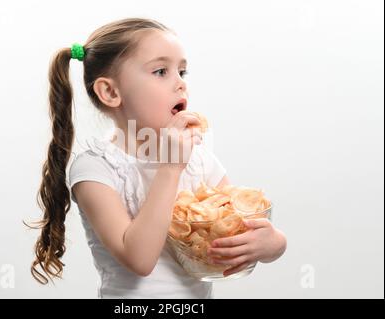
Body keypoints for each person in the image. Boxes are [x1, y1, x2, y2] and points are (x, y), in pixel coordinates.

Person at [30, 17, 287, 298]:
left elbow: (235, 225)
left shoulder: (199, 159)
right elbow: (139, 259)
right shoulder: (95, 169)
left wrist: (273, 244)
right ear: (110, 92)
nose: (180, 84)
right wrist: (171, 166)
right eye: (161, 71)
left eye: (182, 72)